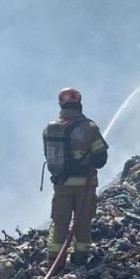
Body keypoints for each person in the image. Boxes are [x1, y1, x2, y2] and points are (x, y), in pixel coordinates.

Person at [43, 87, 108, 268]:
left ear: (61, 105)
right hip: (85, 186)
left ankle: (54, 264)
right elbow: (101, 159)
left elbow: (48, 157)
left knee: (59, 223)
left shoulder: (49, 130)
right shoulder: (89, 128)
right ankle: (79, 261)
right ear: (79, 103)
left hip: (61, 185)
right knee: (82, 224)